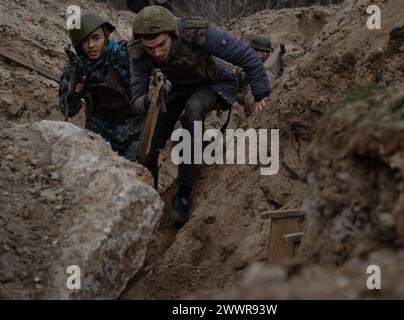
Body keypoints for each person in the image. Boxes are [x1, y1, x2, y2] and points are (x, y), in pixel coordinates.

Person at [129, 6, 270, 224]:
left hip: (216, 82)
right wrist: (149, 100)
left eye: (161, 45)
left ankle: (184, 194)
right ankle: (148, 202)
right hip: (179, 87)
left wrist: (261, 95)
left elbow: (246, 56)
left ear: (172, 35)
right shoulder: (139, 52)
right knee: (148, 146)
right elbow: (137, 100)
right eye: (150, 48)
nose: (156, 53)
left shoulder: (195, 33)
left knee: (192, 112)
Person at [59, 12, 145, 161]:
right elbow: (68, 110)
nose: (91, 45)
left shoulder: (124, 53)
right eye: (85, 41)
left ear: (105, 37)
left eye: (96, 38)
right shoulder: (75, 67)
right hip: (99, 134)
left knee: (137, 172)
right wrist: (75, 92)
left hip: (134, 130)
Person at [236, 34, 274, 116]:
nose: (265, 54)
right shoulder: (244, 67)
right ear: (253, 50)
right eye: (262, 51)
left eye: (267, 52)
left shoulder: (268, 65)